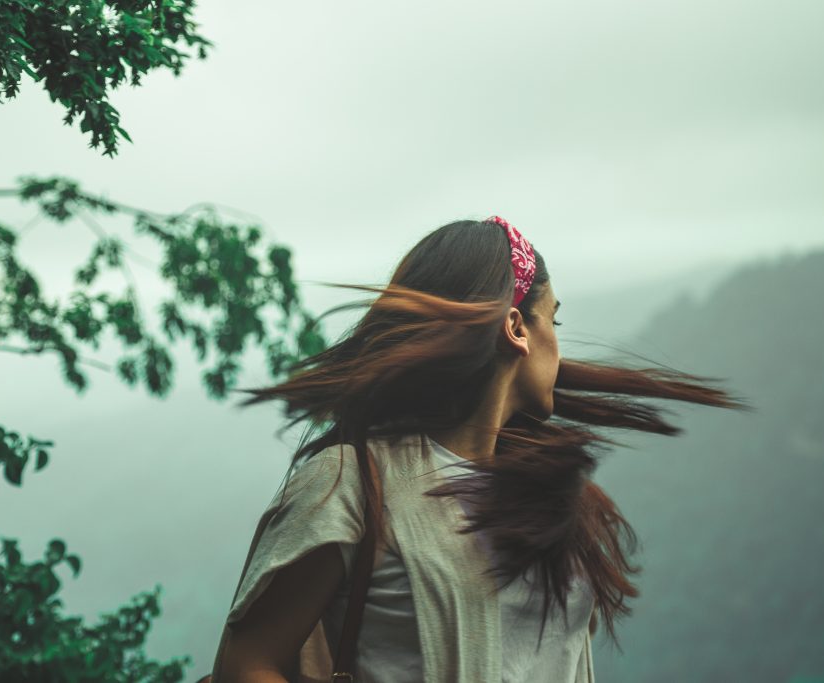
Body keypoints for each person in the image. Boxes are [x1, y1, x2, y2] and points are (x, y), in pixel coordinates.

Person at [205, 216, 750, 683]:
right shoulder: (350, 481)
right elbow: (248, 663)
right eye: (553, 318)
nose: (559, 341)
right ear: (516, 326)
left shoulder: (541, 489)